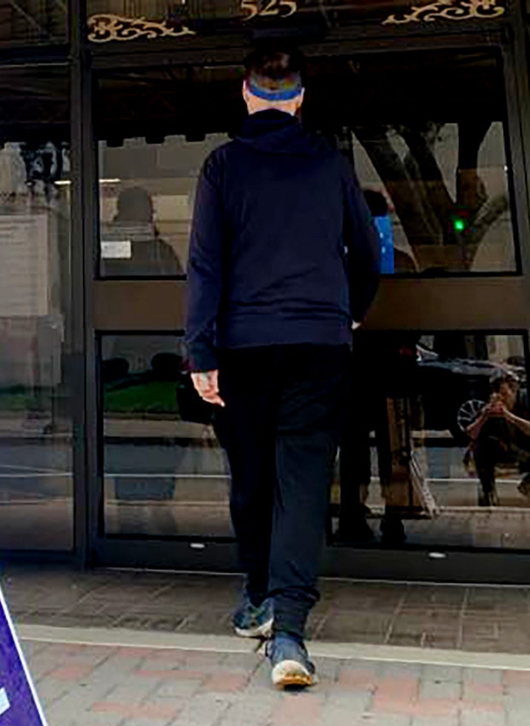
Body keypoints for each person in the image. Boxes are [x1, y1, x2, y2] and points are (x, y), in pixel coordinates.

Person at [185, 45, 380, 689]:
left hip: (243, 346)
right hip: (319, 342)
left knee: (251, 476)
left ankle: (259, 596)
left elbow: (206, 264)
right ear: (298, 99)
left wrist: (200, 350)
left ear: (246, 94)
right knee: (301, 480)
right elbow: (365, 247)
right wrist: (349, 309)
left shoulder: (223, 167)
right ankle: (289, 630)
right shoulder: (330, 162)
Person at [467, 372, 530, 507]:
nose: (502, 400)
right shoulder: (490, 408)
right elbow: (471, 433)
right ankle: (488, 490)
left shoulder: (526, 402)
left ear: (514, 391)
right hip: (506, 450)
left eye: (505, 395)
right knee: (482, 446)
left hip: (527, 451)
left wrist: (509, 416)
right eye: (499, 395)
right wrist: (484, 417)